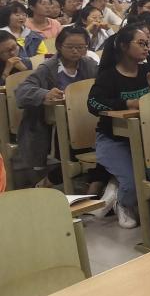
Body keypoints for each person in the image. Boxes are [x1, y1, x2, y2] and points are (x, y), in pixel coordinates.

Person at [87, 26, 150, 228]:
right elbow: (93, 104)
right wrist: (126, 104)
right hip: (113, 139)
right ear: (123, 46)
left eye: (147, 44)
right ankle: (122, 204)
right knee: (132, 183)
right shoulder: (108, 76)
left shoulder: (147, 71)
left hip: (145, 138)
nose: (146, 48)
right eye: (141, 43)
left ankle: (115, 185)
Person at [12, 26, 103, 193]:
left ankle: (90, 185)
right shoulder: (48, 68)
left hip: (86, 121)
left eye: (80, 47)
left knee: (106, 143)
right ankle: (65, 181)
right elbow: (22, 91)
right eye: (70, 47)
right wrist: (45, 94)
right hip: (56, 126)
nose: (75, 51)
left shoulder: (89, 65)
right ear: (59, 46)